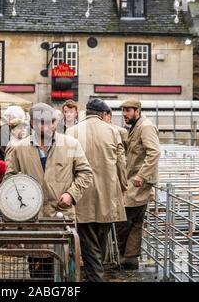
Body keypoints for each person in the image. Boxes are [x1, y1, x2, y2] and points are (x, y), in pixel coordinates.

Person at [5, 102, 93, 279]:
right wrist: (22, 197)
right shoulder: (19, 148)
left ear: (55, 123)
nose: (44, 126)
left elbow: (85, 173)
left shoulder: (71, 144)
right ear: (32, 124)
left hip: (61, 216)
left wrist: (71, 194)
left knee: (63, 268)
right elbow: (9, 178)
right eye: (39, 122)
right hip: (33, 218)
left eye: (49, 121)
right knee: (38, 269)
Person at [66, 99, 127, 282]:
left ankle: (95, 275)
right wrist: (122, 187)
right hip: (108, 193)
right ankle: (96, 275)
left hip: (81, 192)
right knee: (100, 238)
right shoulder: (113, 131)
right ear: (103, 114)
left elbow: (68, 165)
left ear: (87, 112)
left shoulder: (72, 131)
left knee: (87, 238)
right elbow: (121, 164)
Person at [116, 99, 160, 270]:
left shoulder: (146, 127)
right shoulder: (135, 127)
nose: (125, 114)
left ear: (137, 111)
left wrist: (142, 176)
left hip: (138, 183)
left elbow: (154, 152)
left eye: (128, 110)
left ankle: (125, 256)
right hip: (133, 181)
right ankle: (129, 258)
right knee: (134, 222)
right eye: (124, 111)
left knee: (125, 219)